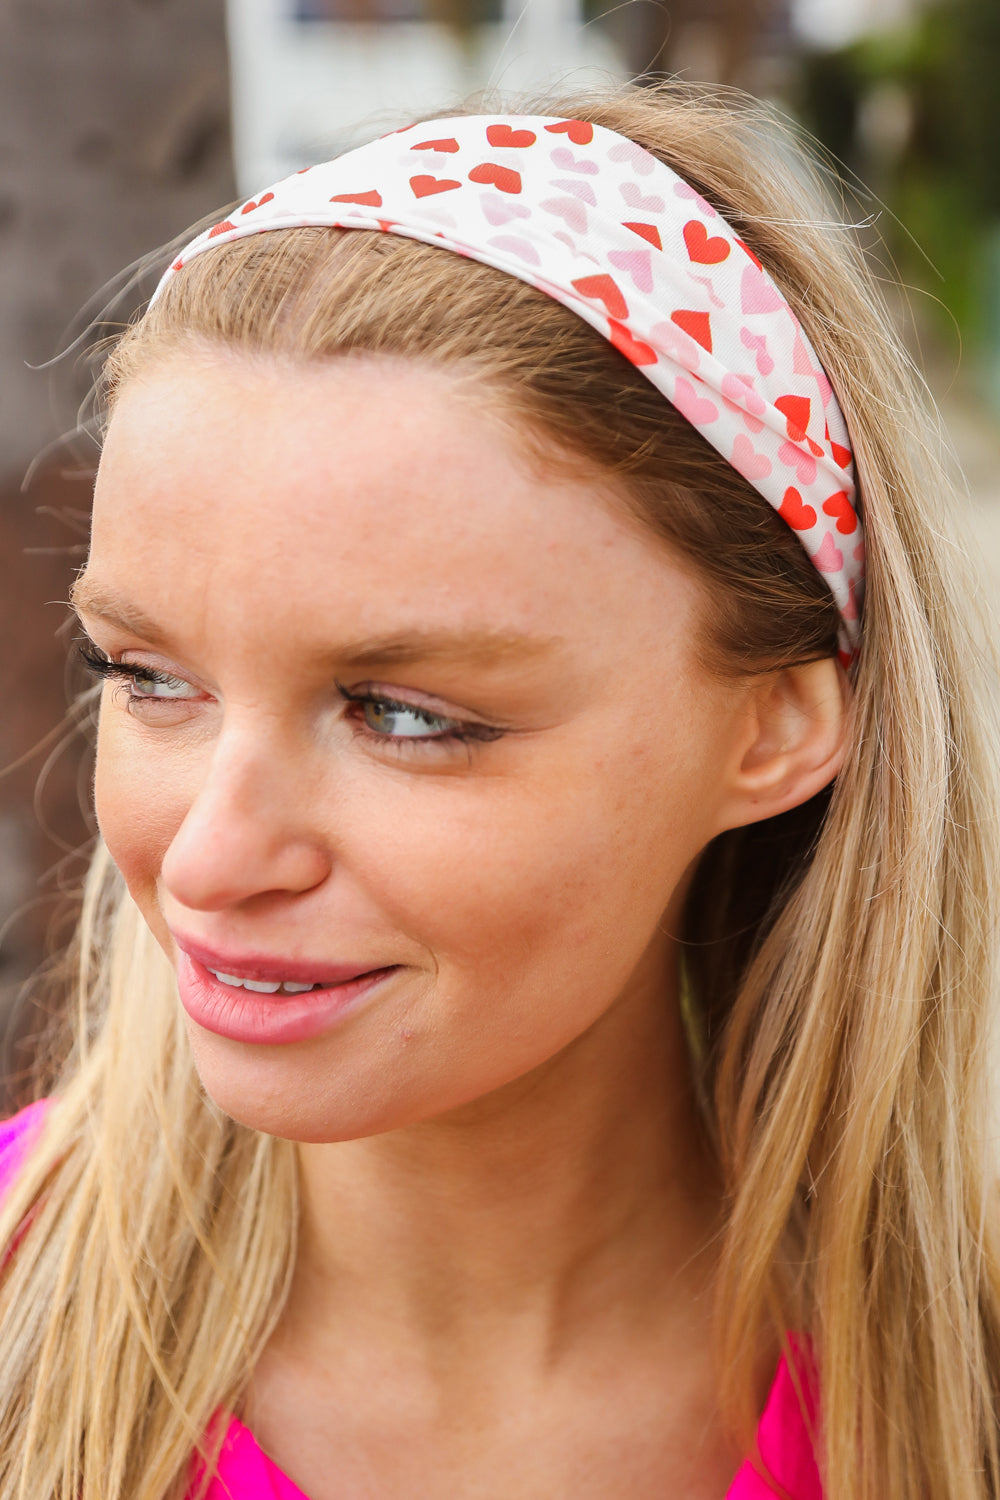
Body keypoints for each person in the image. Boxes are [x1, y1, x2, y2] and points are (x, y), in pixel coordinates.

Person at [0, 80, 998, 1500]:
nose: (213, 858)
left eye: (407, 715)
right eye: (149, 677)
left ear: (773, 726)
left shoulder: (953, 1413)